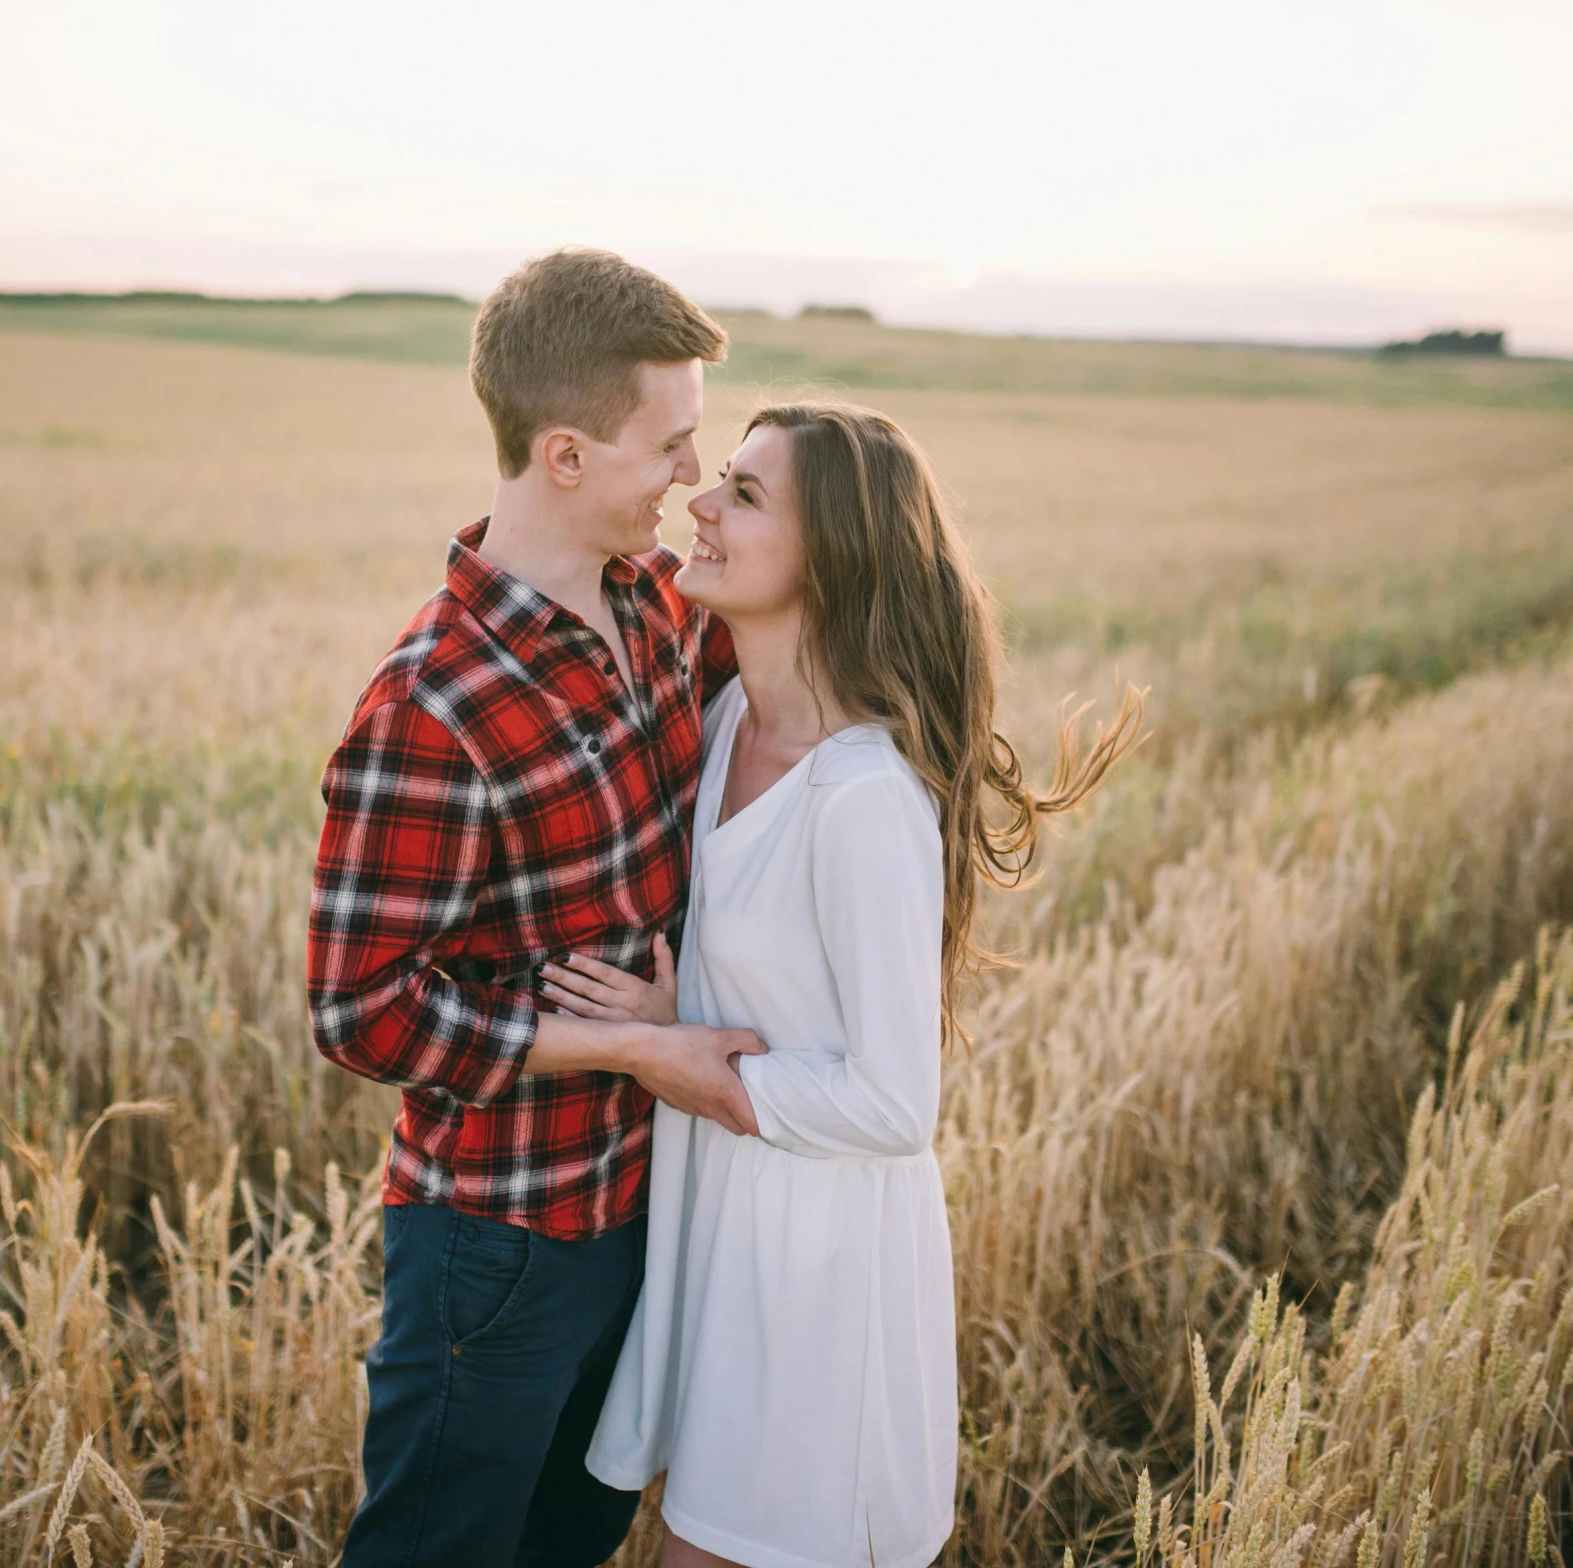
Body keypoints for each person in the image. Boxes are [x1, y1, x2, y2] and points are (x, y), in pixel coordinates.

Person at [550, 402, 1144, 1568]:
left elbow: (890, 1100)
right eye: (719, 478)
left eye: (746, 495)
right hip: (722, 1227)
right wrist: (677, 1029)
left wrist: (679, 1060)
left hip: (816, 1274)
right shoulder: (724, 721)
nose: (700, 506)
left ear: (837, 558)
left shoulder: (863, 794)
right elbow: (761, 997)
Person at [308, 247, 767, 1568]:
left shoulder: (660, 612)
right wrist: (630, 1044)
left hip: (647, 1207)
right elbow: (360, 1011)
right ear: (561, 453)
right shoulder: (433, 703)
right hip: (497, 1240)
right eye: (669, 446)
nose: (692, 477)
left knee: (571, 1542)